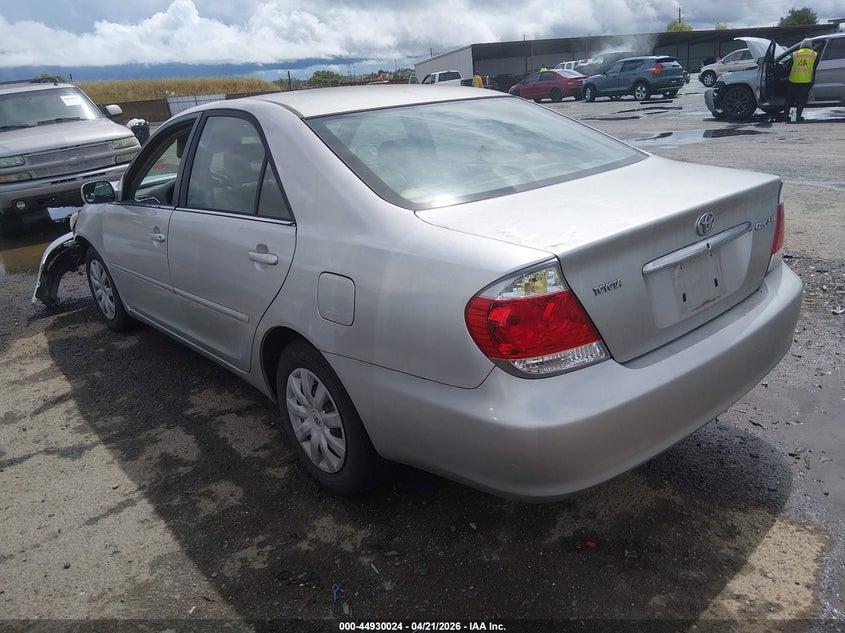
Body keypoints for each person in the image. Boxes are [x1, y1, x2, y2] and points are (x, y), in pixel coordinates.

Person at [784, 38, 818, 123]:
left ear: (802, 44)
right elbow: (815, 68)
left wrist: (786, 76)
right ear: (810, 45)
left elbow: (788, 67)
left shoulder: (795, 54)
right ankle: (798, 117)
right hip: (806, 81)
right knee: (801, 100)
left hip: (793, 80)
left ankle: (785, 116)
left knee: (789, 99)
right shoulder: (814, 55)